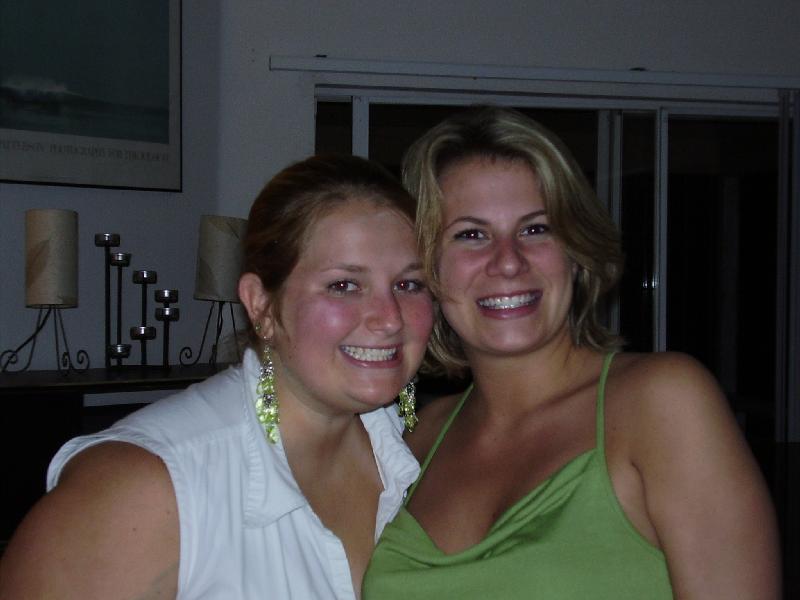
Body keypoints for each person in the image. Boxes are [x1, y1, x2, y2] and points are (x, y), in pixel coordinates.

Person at [362, 106, 781, 599]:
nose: (508, 262)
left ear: (576, 253)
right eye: (470, 235)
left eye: (536, 229)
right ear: (426, 266)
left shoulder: (662, 403)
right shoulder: (416, 438)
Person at [0, 155, 433, 599]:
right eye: (344, 285)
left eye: (409, 284)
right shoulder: (142, 489)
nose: (389, 318)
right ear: (261, 305)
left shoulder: (425, 456)